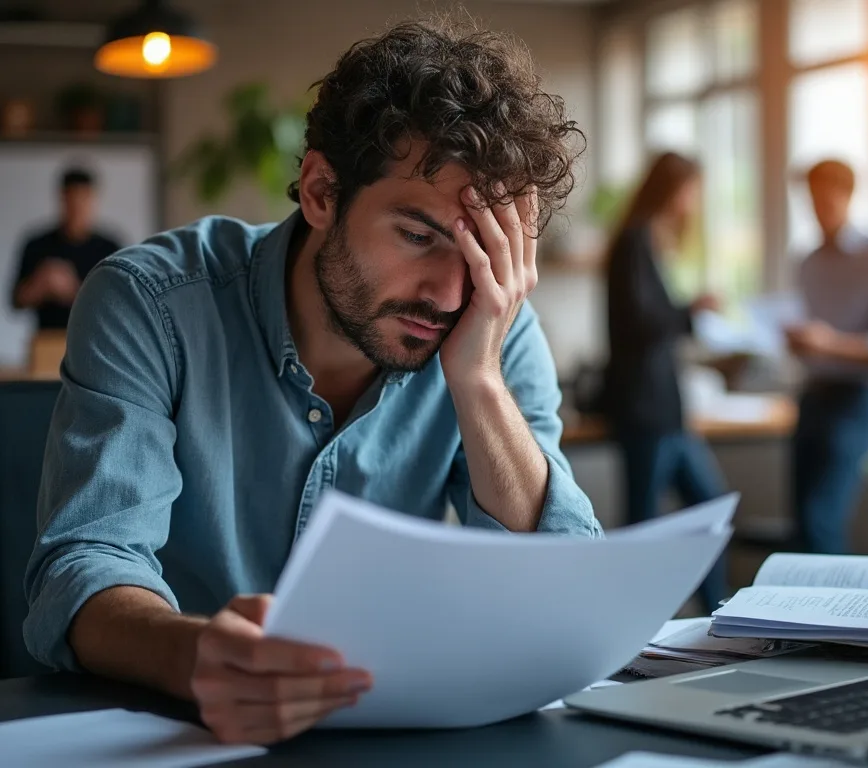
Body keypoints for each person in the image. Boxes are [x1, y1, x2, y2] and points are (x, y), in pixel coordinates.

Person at [24, 20, 601, 745]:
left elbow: (566, 590)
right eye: (420, 236)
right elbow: (84, 563)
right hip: (177, 734)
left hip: (397, 737)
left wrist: (479, 381)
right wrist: (198, 655)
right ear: (322, 191)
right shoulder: (152, 304)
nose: (452, 294)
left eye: (483, 254)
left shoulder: (492, 326)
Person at [602, 152, 729, 613]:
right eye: (691, 190)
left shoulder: (650, 242)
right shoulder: (635, 242)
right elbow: (639, 323)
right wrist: (691, 310)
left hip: (664, 410)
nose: (694, 202)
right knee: (646, 526)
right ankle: (630, 625)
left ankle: (719, 613)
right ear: (672, 190)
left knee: (707, 510)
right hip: (645, 409)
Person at [787, 159, 868, 554]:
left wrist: (830, 343)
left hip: (857, 400)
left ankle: (834, 612)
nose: (818, 210)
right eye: (811, 200)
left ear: (847, 195)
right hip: (812, 397)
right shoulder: (808, 262)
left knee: (820, 519)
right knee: (801, 525)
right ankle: (792, 614)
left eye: (825, 199)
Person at [11, 167, 121, 330]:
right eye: (72, 200)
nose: (77, 208)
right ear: (62, 198)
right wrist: (40, 284)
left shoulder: (110, 248)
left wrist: (73, 290)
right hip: (48, 341)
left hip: (95, 340)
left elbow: (120, 305)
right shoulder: (36, 244)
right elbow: (16, 302)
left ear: (93, 200)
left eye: (83, 200)